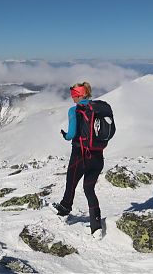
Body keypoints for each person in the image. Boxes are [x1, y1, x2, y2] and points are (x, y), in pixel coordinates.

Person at [53, 82, 105, 234]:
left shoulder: (74, 110)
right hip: (97, 156)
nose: (72, 98)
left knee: (71, 183)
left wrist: (64, 135)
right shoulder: (98, 109)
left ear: (81, 94)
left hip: (80, 155)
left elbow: (71, 135)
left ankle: (64, 210)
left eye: (74, 95)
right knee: (89, 188)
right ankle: (96, 224)